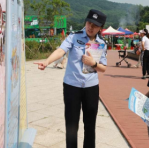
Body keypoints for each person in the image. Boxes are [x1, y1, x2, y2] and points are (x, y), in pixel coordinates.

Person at [34, 9, 107, 148]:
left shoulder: (102, 43)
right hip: (72, 87)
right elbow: (61, 50)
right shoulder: (74, 37)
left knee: (90, 125)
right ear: (85, 22)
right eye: (89, 23)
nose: (90, 27)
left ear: (100, 28)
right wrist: (47, 61)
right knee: (72, 125)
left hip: (91, 87)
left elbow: (103, 68)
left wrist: (94, 63)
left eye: (95, 25)